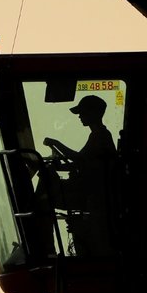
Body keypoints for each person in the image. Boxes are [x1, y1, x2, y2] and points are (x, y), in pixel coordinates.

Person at [42, 95, 117, 255]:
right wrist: (59, 165)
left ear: (94, 113)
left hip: (93, 196)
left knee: (44, 195)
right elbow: (81, 163)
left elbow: (79, 159)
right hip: (88, 192)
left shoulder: (101, 136)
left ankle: (43, 246)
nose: (79, 116)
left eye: (82, 112)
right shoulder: (96, 136)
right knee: (46, 183)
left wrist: (56, 143)